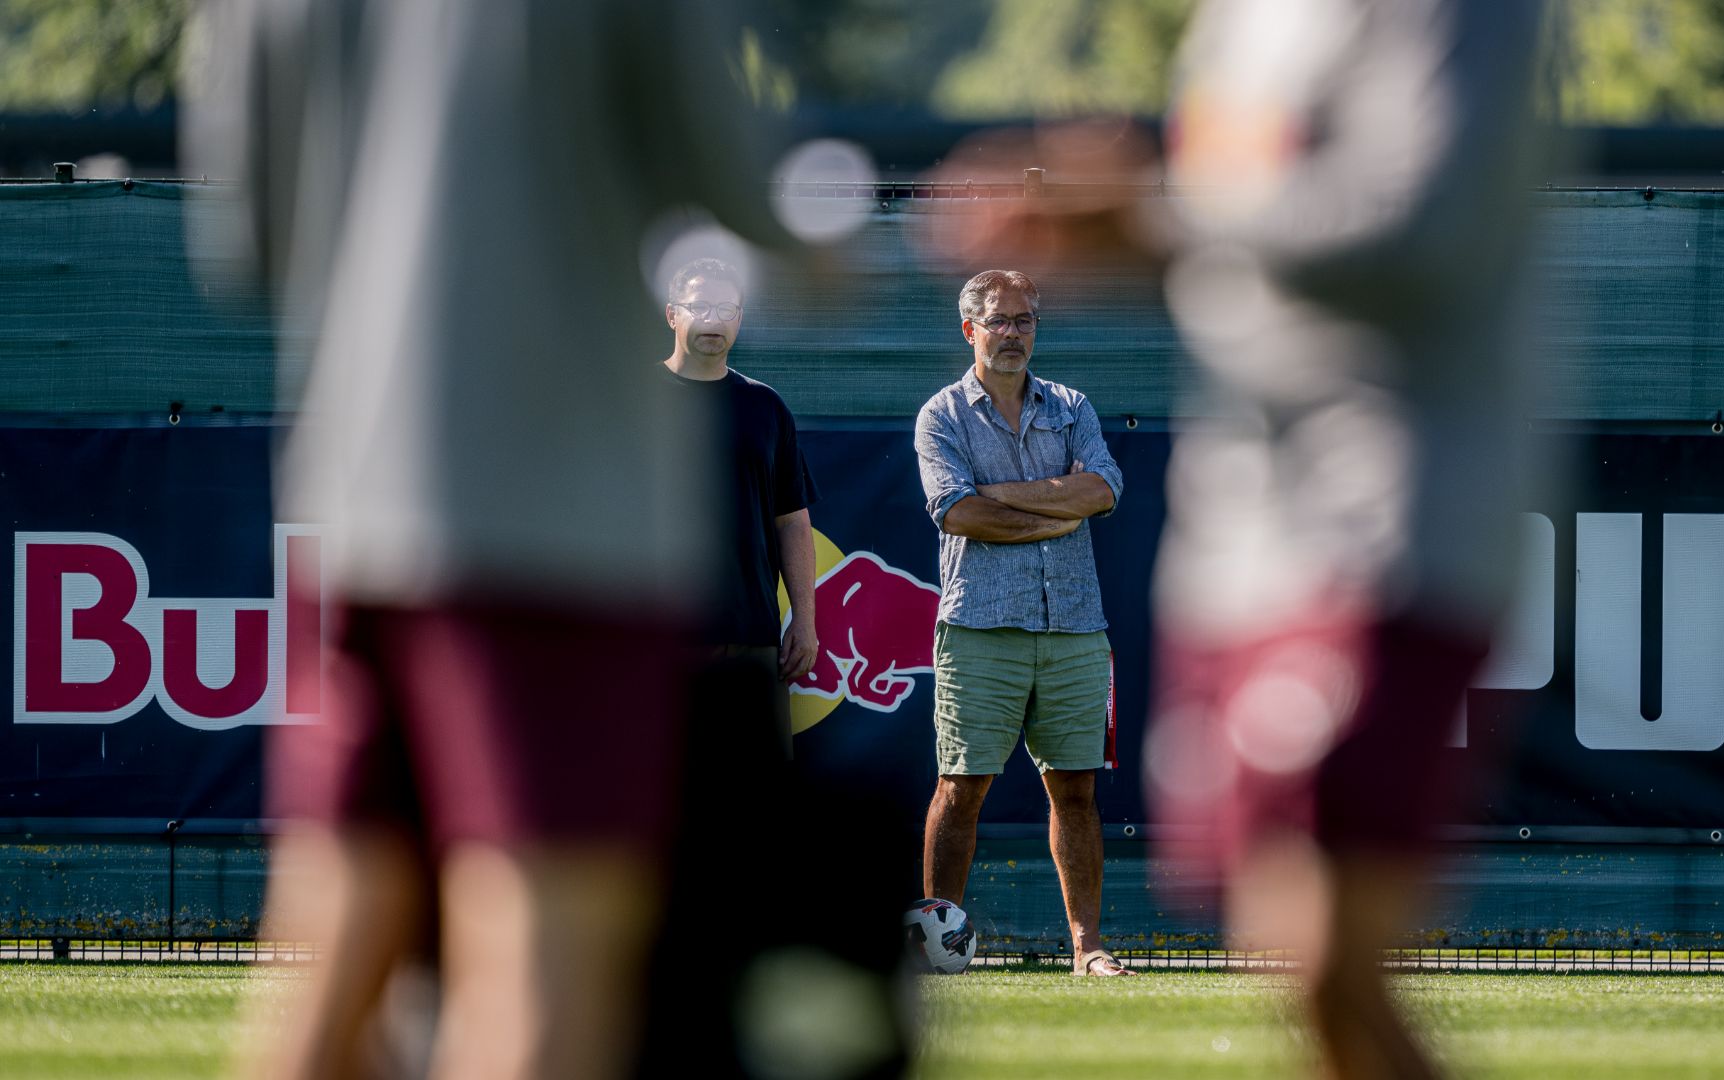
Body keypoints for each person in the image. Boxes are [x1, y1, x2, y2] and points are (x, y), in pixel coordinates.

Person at [185, 2, 795, 1078]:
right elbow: (741, 200)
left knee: (332, 964)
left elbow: (248, 247)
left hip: (362, 515)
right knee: (542, 960)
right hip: (563, 535)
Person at [1146, 0, 1550, 1075]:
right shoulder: (1237, 19)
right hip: (1240, 529)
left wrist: (1160, 221)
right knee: (1285, 947)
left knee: (1333, 948)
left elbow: (1417, 219)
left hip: (1396, 505)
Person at [913, 269, 1133, 977]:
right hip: (980, 625)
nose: (1014, 334)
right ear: (970, 329)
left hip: (1074, 627)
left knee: (1076, 790)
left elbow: (1102, 489)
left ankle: (1087, 951)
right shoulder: (941, 414)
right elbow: (958, 511)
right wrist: (1054, 511)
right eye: (1001, 321)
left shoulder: (1070, 406)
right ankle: (938, 948)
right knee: (962, 785)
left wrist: (1008, 497)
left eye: (1025, 321)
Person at [657, 257, 819, 743]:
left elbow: (791, 520)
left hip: (750, 638)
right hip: (657, 639)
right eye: (700, 306)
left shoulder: (766, 407)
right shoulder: (635, 398)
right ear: (672, 314)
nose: (714, 319)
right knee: (659, 802)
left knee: (753, 804)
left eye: (727, 307)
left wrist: (804, 622)